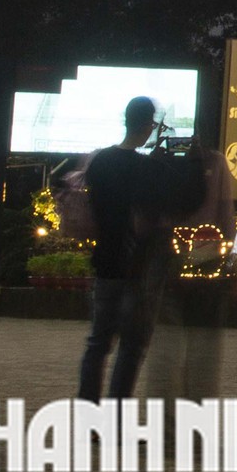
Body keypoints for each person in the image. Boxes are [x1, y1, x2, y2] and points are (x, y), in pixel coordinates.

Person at [77, 97, 161, 400]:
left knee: (98, 343)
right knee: (132, 345)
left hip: (105, 260)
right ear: (148, 125)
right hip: (136, 265)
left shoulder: (101, 161)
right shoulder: (145, 168)